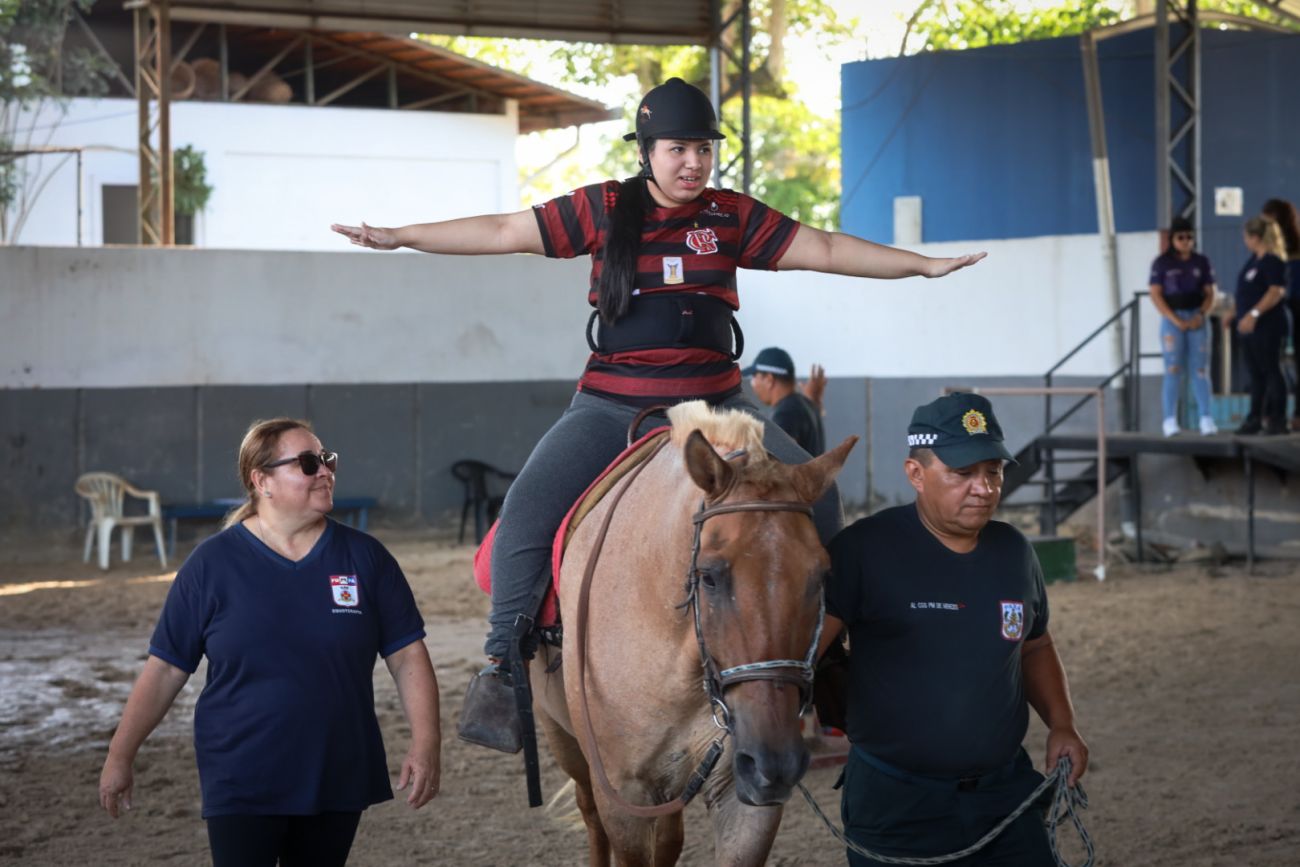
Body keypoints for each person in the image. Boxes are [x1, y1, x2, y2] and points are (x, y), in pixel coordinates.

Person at [331, 77, 985, 665]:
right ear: (646, 150)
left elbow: (828, 246)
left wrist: (922, 266)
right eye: (678, 148)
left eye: (703, 149)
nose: (693, 162)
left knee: (821, 492)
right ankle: (505, 664)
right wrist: (400, 234)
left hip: (719, 407)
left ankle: (828, 645)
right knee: (526, 514)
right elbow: (504, 228)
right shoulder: (602, 208)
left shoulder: (732, 216)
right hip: (612, 404)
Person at [99, 418, 441, 867]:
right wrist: (119, 756)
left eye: (326, 460)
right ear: (262, 481)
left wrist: (427, 741)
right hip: (242, 772)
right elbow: (165, 669)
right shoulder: (211, 565)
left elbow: (406, 656)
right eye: (307, 463)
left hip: (337, 768)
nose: (324, 471)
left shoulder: (365, 557)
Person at [818, 393, 1088, 866]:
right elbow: (802, 653)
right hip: (897, 805)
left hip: (1005, 797)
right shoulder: (862, 550)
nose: (983, 488)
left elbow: (1035, 645)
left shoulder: (1014, 552)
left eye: (993, 472)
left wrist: (1062, 724)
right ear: (915, 474)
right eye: (962, 474)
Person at [1148, 216, 1219, 436]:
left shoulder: (1201, 261)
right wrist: (1173, 318)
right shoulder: (1161, 263)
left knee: (1200, 369)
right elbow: (1155, 294)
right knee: (1172, 369)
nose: (1186, 241)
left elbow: (1210, 293)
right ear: (1172, 239)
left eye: (1189, 237)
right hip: (1173, 319)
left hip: (1196, 317)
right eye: (1181, 237)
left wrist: (1201, 313)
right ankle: (1169, 419)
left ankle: (1206, 418)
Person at [1232, 216, 1291, 435]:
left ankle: (1277, 419)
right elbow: (1245, 290)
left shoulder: (1273, 261)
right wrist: (1235, 313)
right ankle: (1254, 418)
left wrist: (1254, 314)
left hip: (1268, 326)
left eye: (1246, 237)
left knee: (1271, 370)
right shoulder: (1253, 261)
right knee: (1256, 374)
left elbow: (1275, 291)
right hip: (1249, 329)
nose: (1245, 241)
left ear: (1255, 237)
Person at [1260, 198, 1300, 431]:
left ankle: (1291, 414)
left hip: (1291, 305)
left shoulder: (1289, 247)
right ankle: (1274, 413)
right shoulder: (1274, 249)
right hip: (1282, 309)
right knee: (1275, 363)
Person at [743, 346, 826, 455]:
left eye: (754, 377)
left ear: (769, 380)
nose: (753, 384)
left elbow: (781, 460)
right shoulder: (806, 405)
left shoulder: (785, 413)